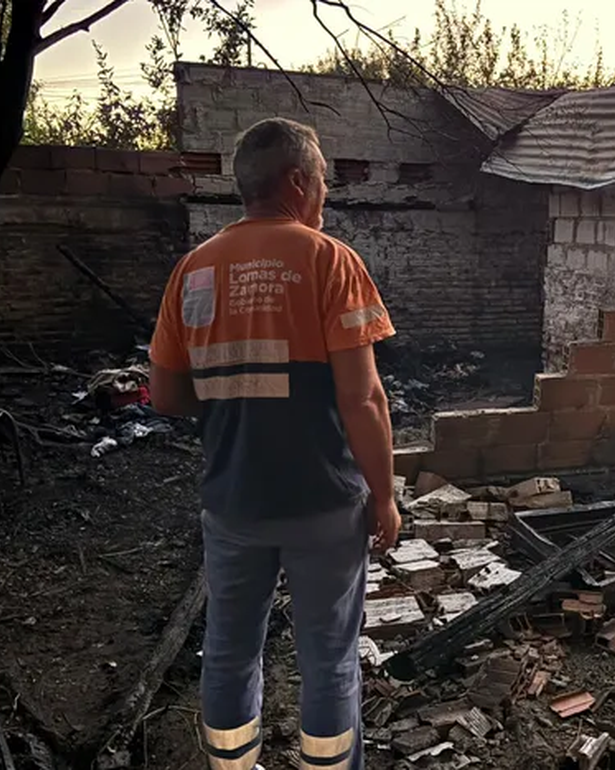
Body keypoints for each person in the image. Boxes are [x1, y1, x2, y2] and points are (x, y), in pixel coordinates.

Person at [148, 116, 400, 770]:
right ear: (296, 181)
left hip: (233, 503)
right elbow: (363, 398)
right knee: (328, 659)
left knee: (230, 650)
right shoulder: (328, 260)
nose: (324, 196)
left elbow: (168, 398)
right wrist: (385, 496)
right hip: (323, 503)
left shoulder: (193, 271)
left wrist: (235, 392)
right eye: (321, 181)